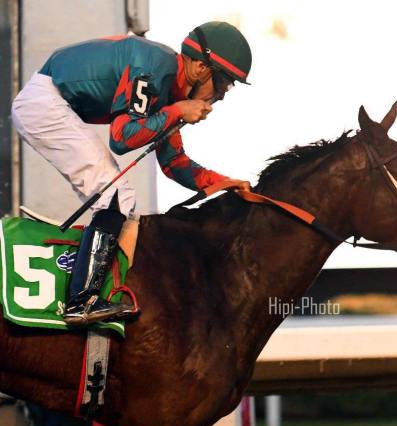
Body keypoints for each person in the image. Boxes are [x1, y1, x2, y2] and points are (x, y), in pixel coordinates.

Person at [11, 21, 252, 325]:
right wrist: (178, 111)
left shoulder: (168, 87)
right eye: (224, 83)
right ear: (201, 67)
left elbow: (173, 162)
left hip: (52, 101)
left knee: (118, 199)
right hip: (44, 103)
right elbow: (122, 138)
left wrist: (222, 183)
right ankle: (81, 301)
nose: (221, 96)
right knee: (117, 195)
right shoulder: (154, 69)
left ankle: (89, 290)